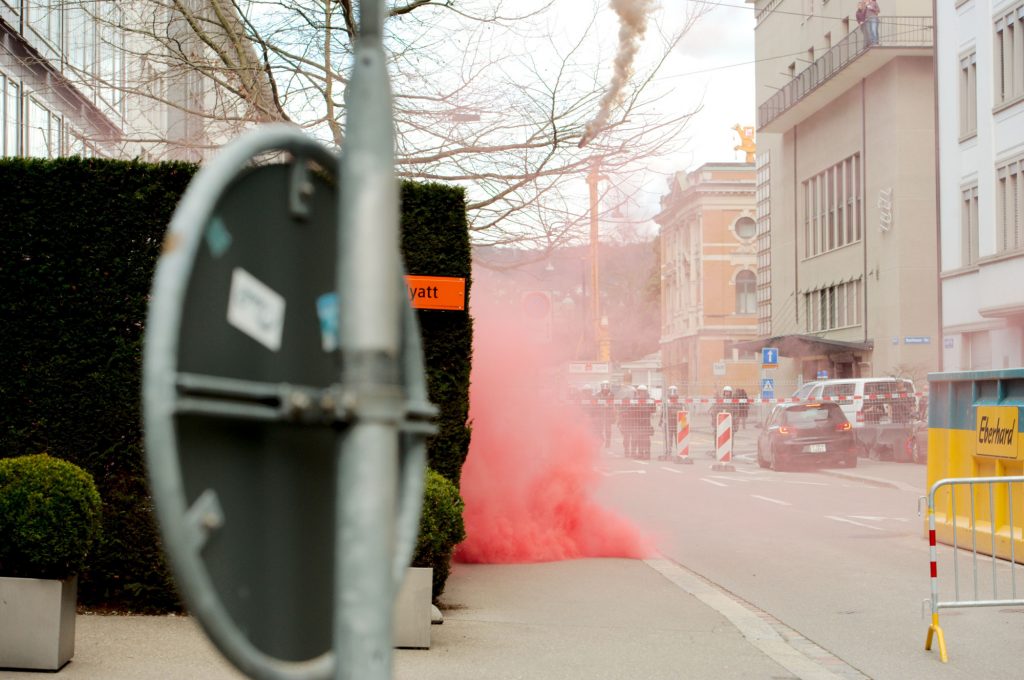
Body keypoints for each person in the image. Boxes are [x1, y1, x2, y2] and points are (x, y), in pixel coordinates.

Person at [659, 385, 684, 460]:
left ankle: (670, 452)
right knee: (674, 439)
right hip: (675, 424)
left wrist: (661, 421)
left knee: (671, 439)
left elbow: (663, 413)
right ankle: (676, 452)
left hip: (672, 424)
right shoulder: (677, 403)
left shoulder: (669, 404)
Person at [596, 381, 616, 449]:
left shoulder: (612, 395)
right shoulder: (598, 395)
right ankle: (600, 441)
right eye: (604, 387)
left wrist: (614, 416)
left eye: (606, 387)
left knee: (608, 430)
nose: (605, 389)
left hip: (608, 415)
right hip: (600, 415)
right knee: (599, 429)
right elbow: (595, 404)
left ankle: (608, 443)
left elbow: (614, 405)